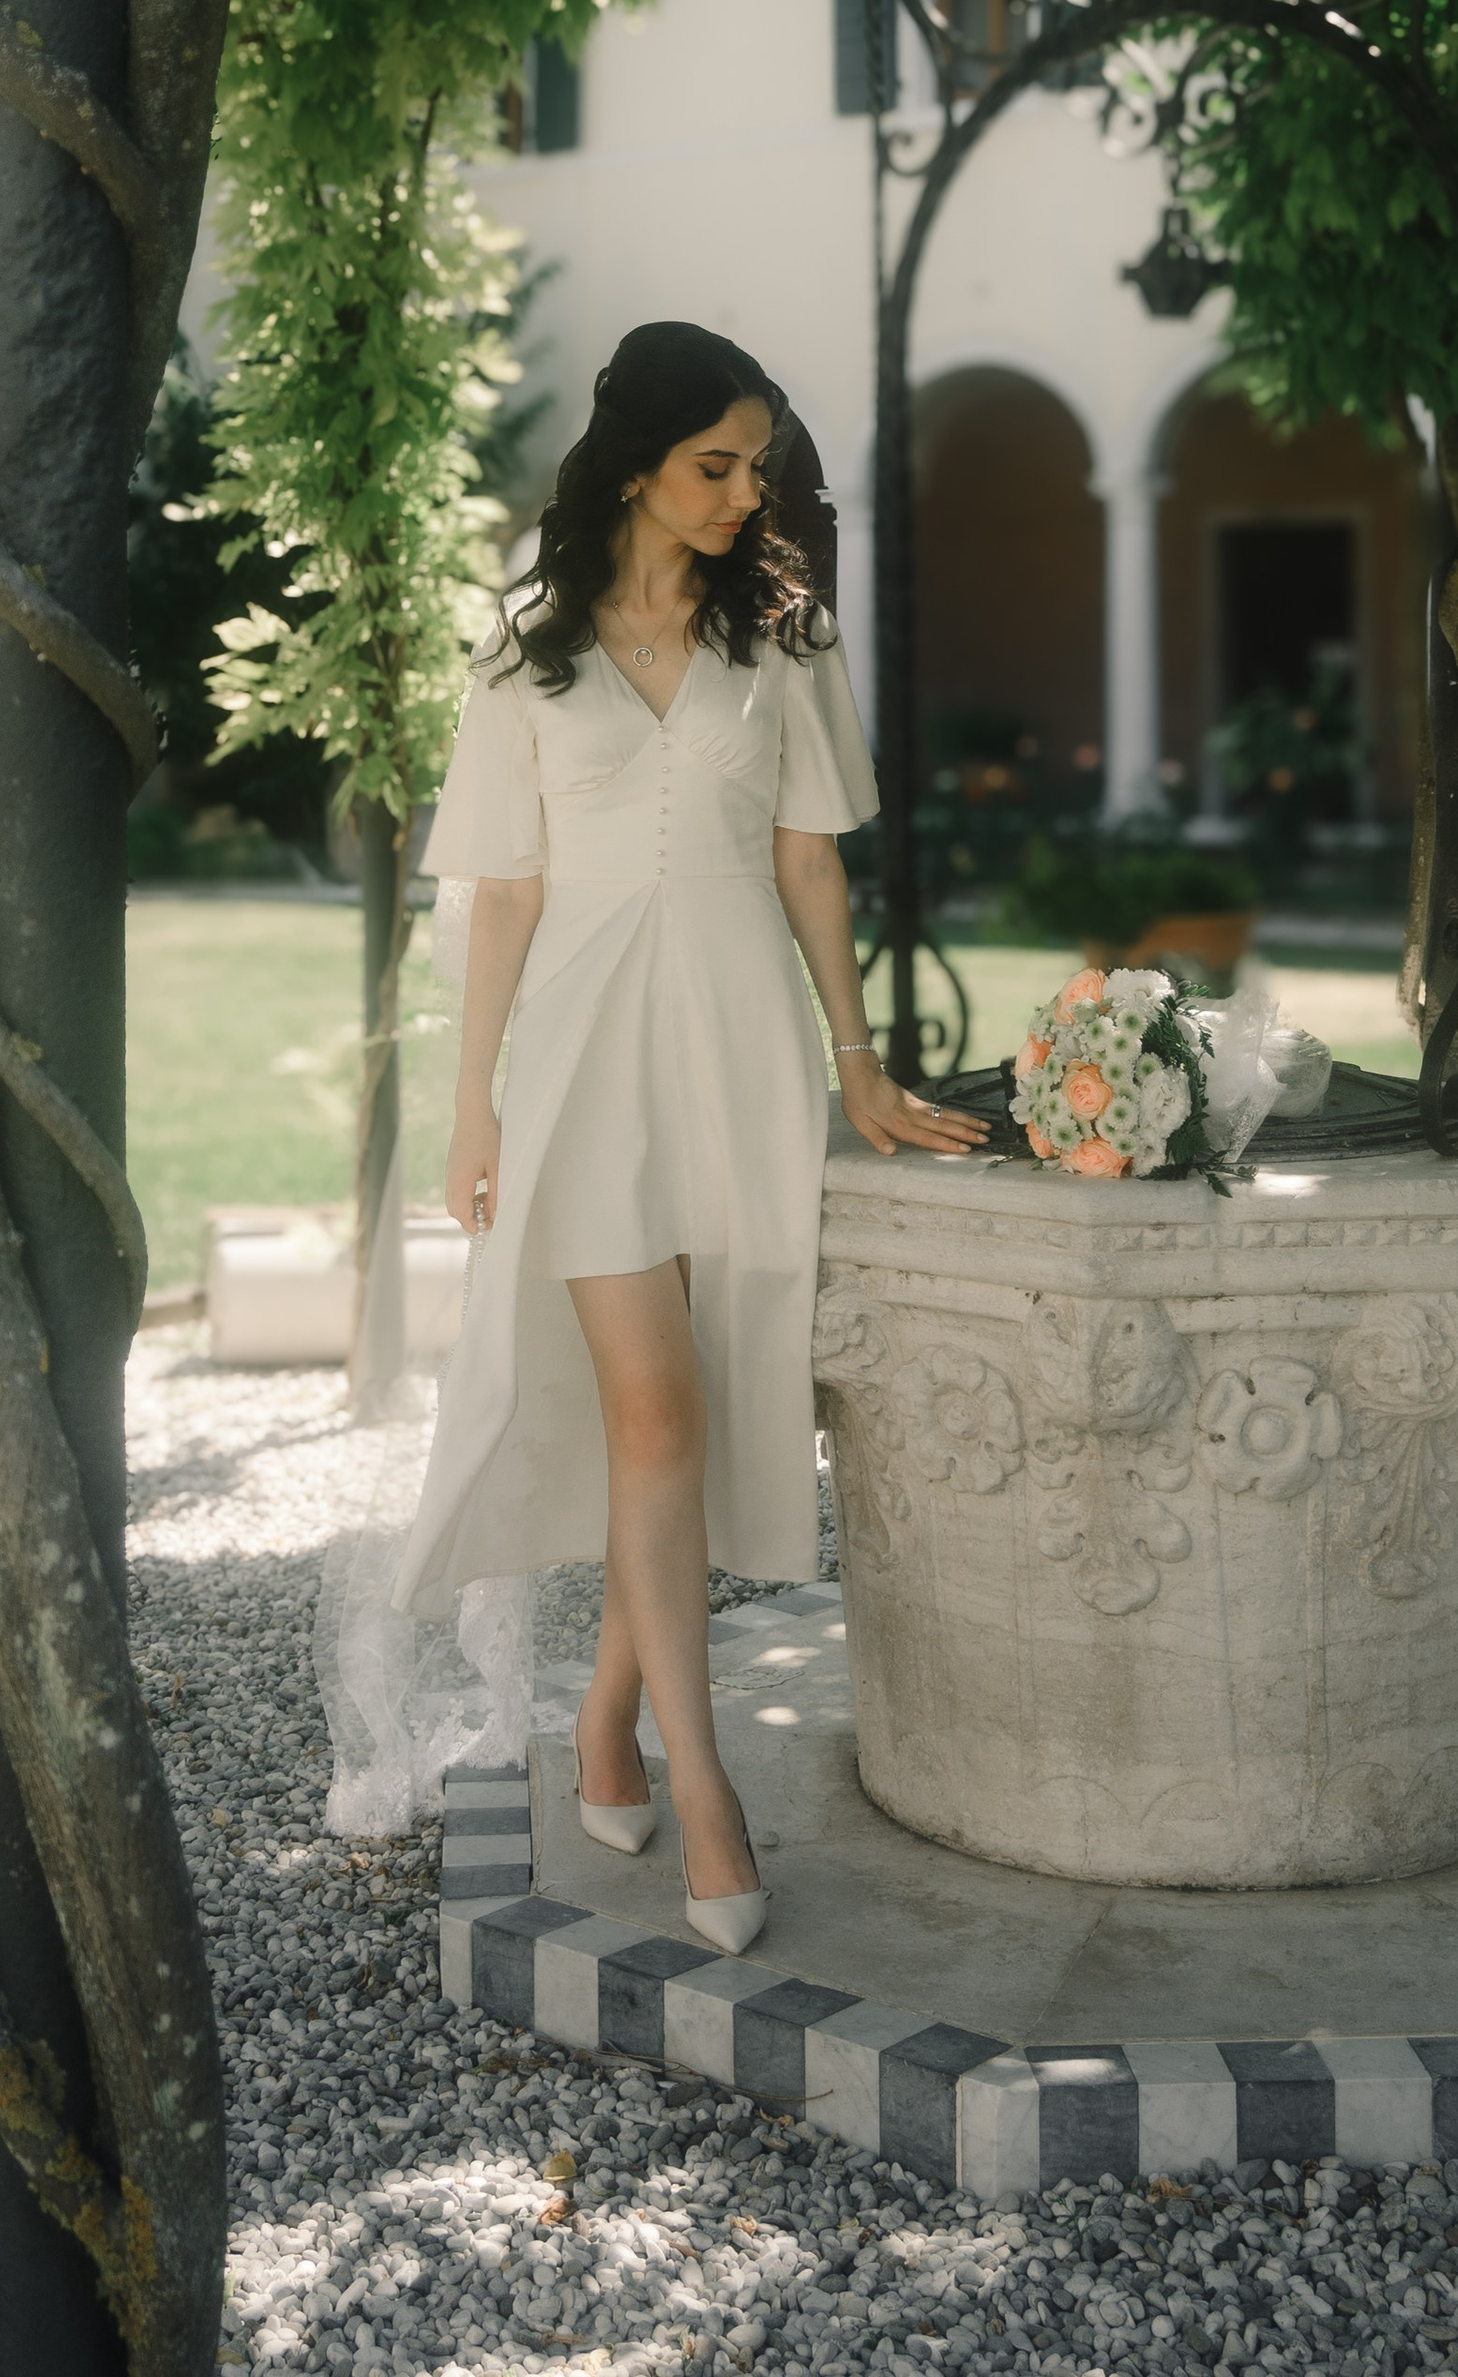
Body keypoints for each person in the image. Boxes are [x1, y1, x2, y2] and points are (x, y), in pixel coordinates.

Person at [388, 320, 986, 1949]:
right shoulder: (524, 652)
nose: (743, 495)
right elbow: (501, 892)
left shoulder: (786, 635)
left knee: (710, 1415)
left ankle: (602, 1718)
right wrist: (472, 1105)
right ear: (636, 461)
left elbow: (810, 866)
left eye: (758, 470)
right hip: (580, 1062)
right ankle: (702, 1786)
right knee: (655, 1413)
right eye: (715, 465)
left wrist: (859, 1058)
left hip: (737, 1050)